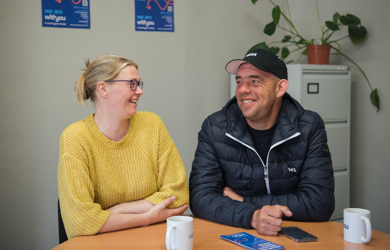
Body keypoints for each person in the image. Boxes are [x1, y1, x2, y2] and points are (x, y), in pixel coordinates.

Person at [189, 49, 335, 236]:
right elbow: (200, 197)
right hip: (236, 234)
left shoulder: (309, 127)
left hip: (291, 236)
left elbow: (319, 203)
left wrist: (244, 201)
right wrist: (252, 216)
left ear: (280, 88)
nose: (243, 89)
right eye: (239, 81)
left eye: (255, 81)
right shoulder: (215, 128)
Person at [58, 55, 189, 239]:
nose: (139, 91)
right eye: (131, 84)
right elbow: (81, 222)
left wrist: (117, 210)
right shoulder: (75, 138)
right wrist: (145, 218)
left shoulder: (152, 124)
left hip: (152, 240)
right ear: (103, 89)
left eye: (139, 84)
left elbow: (179, 196)